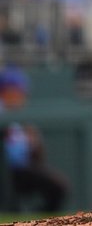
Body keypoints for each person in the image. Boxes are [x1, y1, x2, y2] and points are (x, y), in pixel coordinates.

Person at [0, 67, 69, 212]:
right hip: (9, 171)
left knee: (58, 188)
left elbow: (32, 149)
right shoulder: (3, 110)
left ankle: (38, 219)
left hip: (21, 170)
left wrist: (31, 141)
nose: (22, 96)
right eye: (18, 91)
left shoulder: (19, 116)